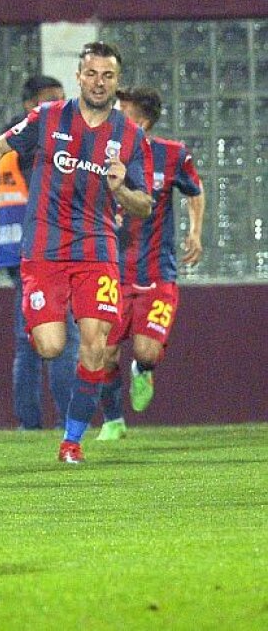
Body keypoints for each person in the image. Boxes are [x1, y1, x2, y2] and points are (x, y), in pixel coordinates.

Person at [0, 42, 152, 464]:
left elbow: (145, 204)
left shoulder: (130, 136)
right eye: (91, 74)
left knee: (96, 347)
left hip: (97, 250)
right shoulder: (48, 119)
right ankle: (49, 421)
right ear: (79, 76)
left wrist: (122, 188)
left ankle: (71, 441)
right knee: (49, 347)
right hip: (45, 251)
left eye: (108, 76)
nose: (99, 82)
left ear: (117, 82)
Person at [95, 86, 204, 440]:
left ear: (139, 120)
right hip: (112, 271)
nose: (114, 113)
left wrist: (195, 232)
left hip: (157, 273)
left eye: (121, 109)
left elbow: (195, 191)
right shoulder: (101, 152)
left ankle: (143, 369)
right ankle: (112, 421)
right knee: (103, 354)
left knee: (147, 350)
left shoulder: (172, 155)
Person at [0, 77, 79, 429]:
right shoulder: (33, 143)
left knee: (28, 342)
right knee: (64, 337)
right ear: (31, 106)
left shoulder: (9, 143)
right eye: (50, 100)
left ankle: (28, 423)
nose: (58, 107)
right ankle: (67, 420)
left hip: (15, 250)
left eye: (62, 99)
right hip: (41, 250)